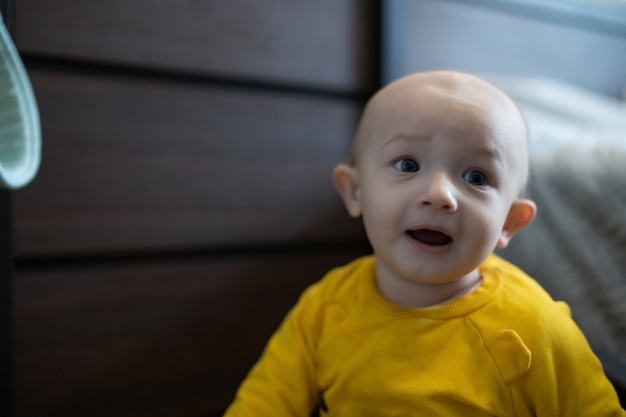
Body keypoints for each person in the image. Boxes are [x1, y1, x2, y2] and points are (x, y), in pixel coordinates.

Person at [223, 70, 626, 416]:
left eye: (476, 177)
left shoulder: (535, 328)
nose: (439, 195)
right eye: (407, 165)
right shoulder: (325, 309)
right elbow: (262, 405)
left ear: (509, 221)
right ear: (355, 192)